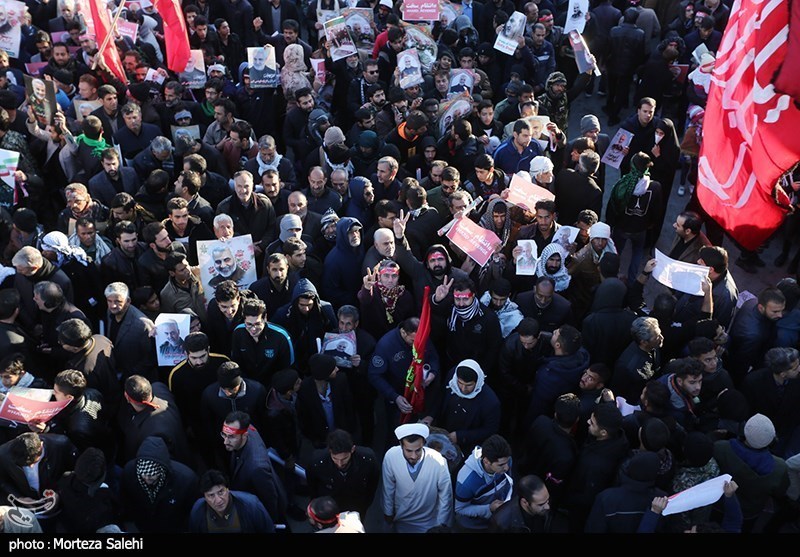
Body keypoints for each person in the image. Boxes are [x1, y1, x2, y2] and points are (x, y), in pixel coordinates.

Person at [381, 423, 453, 533]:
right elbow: (388, 488)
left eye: (418, 450)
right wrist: (388, 513)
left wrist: (441, 524)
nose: (414, 456)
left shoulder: (438, 461)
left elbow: (445, 496)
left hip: (429, 523)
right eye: (409, 451)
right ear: (401, 445)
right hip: (401, 519)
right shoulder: (391, 456)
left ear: (424, 443)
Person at [220, 410, 288, 525]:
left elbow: (270, 499)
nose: (225, 441)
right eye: (224, 435)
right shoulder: (248, 429)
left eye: (231, 437)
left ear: (245, 435)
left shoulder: (257, 467)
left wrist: (268, 521)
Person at [120, 436, 199, 533]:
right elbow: (127, 502)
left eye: (152, 474)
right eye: (143, 474)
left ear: (162, 468)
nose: (147, 478)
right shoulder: (129, 473)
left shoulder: (186, 480)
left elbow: (192, 513)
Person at [307, 428, 380, 519]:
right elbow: (312, 486)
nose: (340, 463)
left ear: (352, 449)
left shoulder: (368, 459)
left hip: (356, 506)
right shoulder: (317, 462)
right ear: (329, 451)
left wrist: (365, 504)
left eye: (344, 458)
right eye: (335, 458)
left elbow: (372, 484)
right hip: (329, 507)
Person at [454, 433, 514, 532]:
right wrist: (488, 509)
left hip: (499, 517)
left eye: (507, 462)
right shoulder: (466, 482)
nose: (507, 467)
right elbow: (460, 509)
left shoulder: (506, 461)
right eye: (501, 465)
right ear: (486, 461)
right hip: (476, 525)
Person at [189, 469, 275, 533]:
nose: (218, 500)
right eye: (211, 495)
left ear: (228, 489)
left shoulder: (251, 505)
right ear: (204, 496)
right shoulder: (198, 510)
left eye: (221, 492)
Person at [489, 474, 555, 533]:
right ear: (524, 502)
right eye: (541, 505)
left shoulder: (543, 500)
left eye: (547, 500)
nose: (547, 506)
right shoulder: (501, 522)